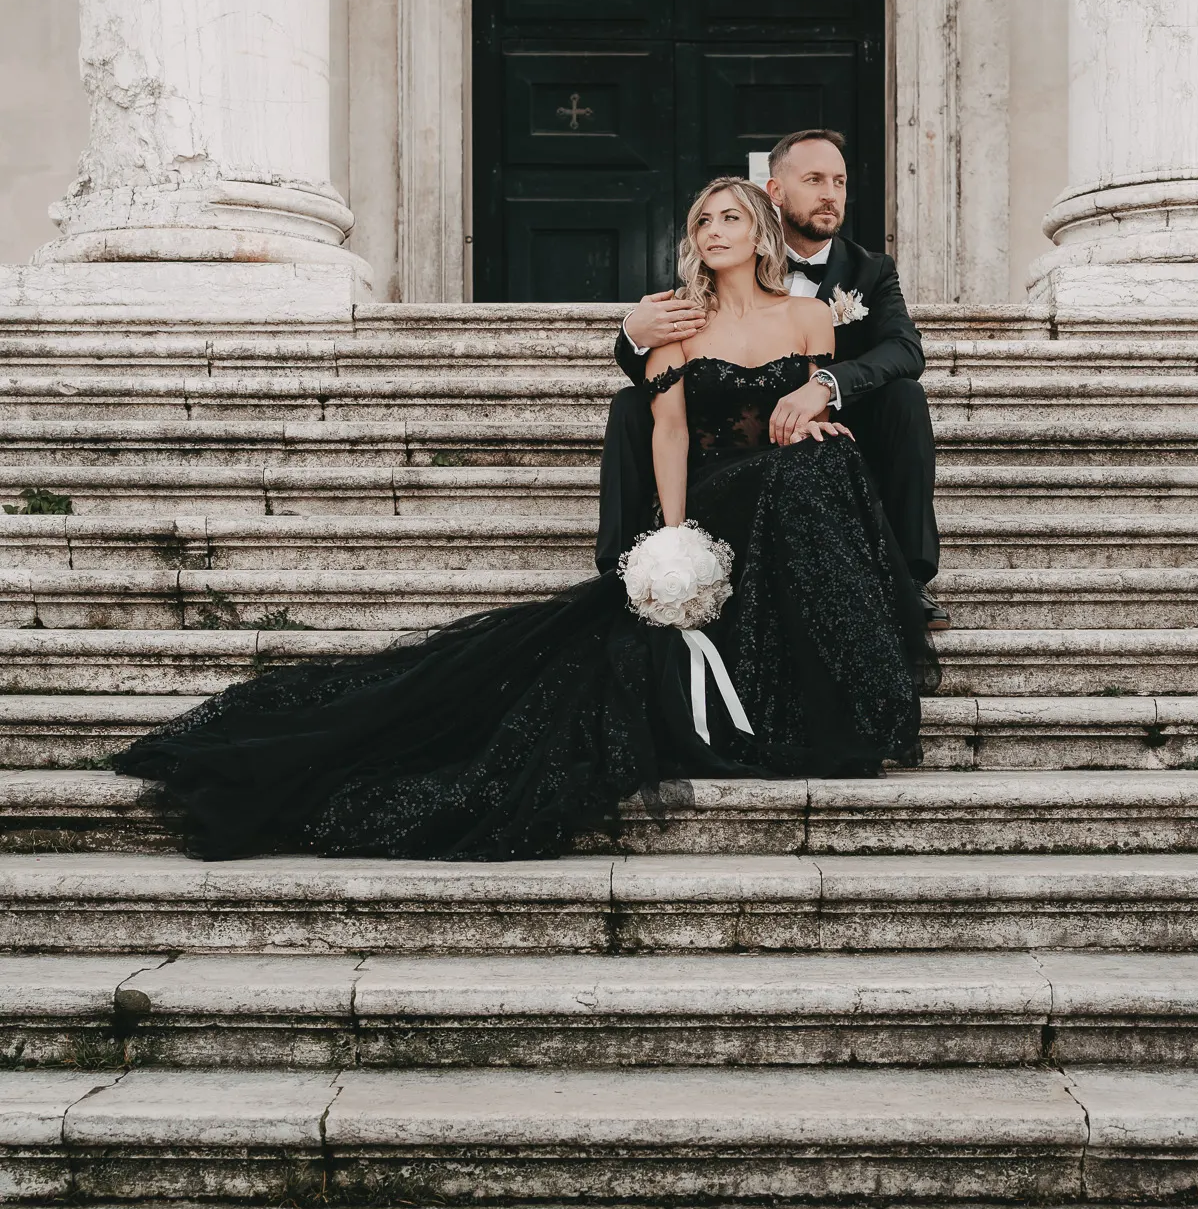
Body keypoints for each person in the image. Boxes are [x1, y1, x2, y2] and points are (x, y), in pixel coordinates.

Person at [111, 177, 937, 862]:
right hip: (722, 490)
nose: (714, 230)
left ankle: (839, 693)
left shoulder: (810, 318)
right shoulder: (670, 323)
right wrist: (676, 536)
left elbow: (811, 401)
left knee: (823, 463)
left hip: (790, 486)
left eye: (729, 217)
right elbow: (672, 432)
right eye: (701, 221)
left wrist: (820, 410)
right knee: (800, 481)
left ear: (761, 234)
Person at [599, 128, 947, 630]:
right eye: (814, 180)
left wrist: (824, 384)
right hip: (719, 441)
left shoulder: (869, 270)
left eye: (840, 182)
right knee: (631, 405)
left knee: (904, 398)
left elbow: (904, 350)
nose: (830, 193)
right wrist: (633, 333)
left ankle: (906, 577)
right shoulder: (712, 275)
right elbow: (667, 379)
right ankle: (634, 568)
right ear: (775, 194)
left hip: (823, 427)